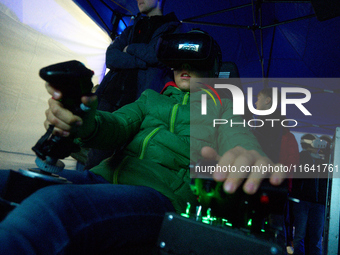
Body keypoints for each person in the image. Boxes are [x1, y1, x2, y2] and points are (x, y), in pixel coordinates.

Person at [0, 31, 286, 254]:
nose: (184, 66)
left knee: (53, 208)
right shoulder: (150, 99)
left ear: (212, 67)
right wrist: (85, 122)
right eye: (178, 61)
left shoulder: (224, 108)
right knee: (6, 183)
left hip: (160, 196)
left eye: (194, 61)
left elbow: (239, 136)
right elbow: (116, 125)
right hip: (100, 180)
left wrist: (248, 153)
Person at [84, 0, 182, 170]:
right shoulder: (131, 28)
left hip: (139, 103)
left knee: (126, 163)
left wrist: (129, 49)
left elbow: (157, 56)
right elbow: (111, 57)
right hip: (109, 97)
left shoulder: (173, 28)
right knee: (96, 160)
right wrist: (140, 61)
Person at [291, 134, 330, 255]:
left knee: (316, 237)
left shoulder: (323, 159)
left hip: (318, 203)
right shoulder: (301, 157)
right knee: (300, 235)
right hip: (303, 201)